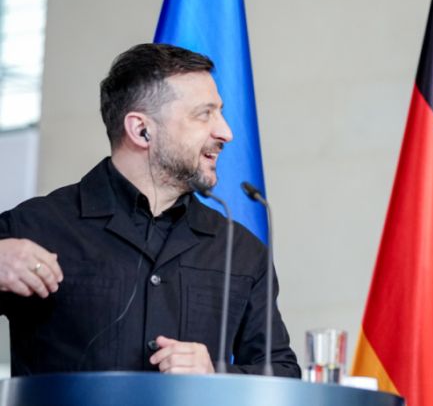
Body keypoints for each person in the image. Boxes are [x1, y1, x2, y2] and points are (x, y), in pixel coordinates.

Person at [0, 43, 300, 377]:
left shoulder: (241, 250)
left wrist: (217, 376)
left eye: (220, 113)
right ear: (141, 130)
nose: (226, 132)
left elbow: (283, 373)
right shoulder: (34, 226)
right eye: (204, 114)